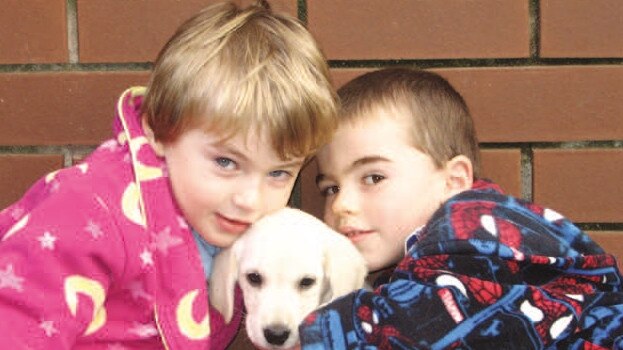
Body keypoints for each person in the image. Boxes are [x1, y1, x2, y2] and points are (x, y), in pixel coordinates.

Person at [0, 1, 337, 348]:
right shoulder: (91, 209)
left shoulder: (231, 224)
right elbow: (15, 322)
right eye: (226, 162)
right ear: (159, 132)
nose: (250, 200)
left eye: (279, 172)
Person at [299, 68, 623, 349]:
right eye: (330, 188)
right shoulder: (419, 262)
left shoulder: (472, 234)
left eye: (373, 177)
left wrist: (304, 332)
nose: (341, 204)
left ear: (453, 182)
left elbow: (414, 330)